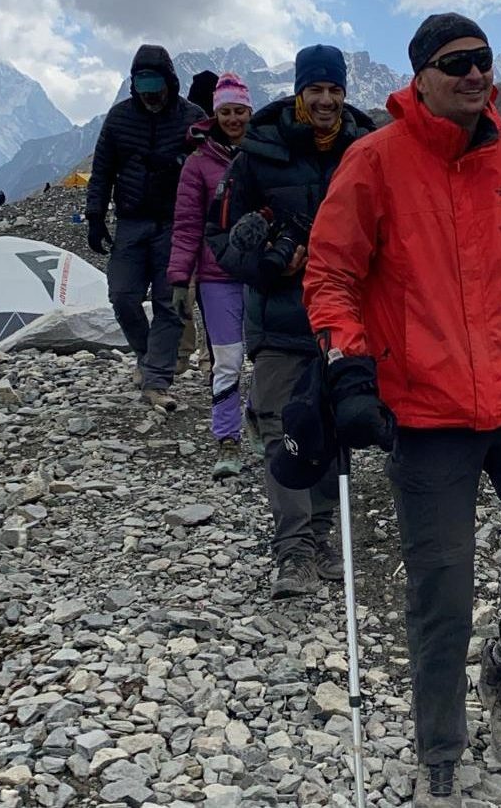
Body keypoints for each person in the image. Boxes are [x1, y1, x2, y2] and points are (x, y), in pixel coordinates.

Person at [303, 13, 501, 805]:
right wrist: (350, 371)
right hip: (427, 413)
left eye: (483, 60)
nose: (475, 74)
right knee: (438, 585)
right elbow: (332, 275)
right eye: (456, 63)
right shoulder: (374, 163)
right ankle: (439, 742)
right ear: (420, 75)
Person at [207, 45, 375, 600]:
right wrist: (270, 263)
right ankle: (293, 549)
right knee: (283, 429)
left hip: (348, 320)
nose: (325, 100)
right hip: (279, 320)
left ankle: (322, 533)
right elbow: (220, 242)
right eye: (315, 90)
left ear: (344, 92)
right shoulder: (257, 154)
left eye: (334, 90)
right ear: (299, 93)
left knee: (333, 425)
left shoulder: (367, 151)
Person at [86, 45, 206, 411]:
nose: (150, 92)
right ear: (134, 84)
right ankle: (147, 354)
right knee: (122, 296)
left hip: (176, 224)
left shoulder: (193, 117)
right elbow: (103, 169)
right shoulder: (119, 118)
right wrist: (94, 216)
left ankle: (157, 379)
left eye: (155, 83)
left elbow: (210, 165)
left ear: (169, 82)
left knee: (169, 304)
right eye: (142, 83)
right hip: (131, 222)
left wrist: (178, 162)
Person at [169, 73, 253, 479]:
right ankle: (227, 438)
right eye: (226, 112)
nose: (233, 118)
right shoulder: (197, 165)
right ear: (215, 114)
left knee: (268, 358)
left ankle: (264, 424)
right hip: (217, 276)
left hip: (262, 273)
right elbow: (186, 225)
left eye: (239, 111)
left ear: (249, 111)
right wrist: (178, 278)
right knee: (228, 359)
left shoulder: (264, 154)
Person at [177, 68, 221, 379]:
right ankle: (209, 359)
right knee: (206, 299)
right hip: (207, 230)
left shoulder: (187, 137)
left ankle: (185, 355)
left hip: (189, 230)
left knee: (186, 294)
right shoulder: (223, 140)